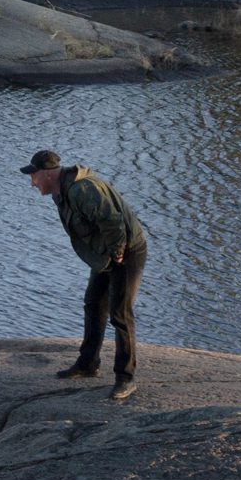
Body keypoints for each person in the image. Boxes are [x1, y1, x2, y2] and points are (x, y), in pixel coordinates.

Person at [22, 149, 148, 402]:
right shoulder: (62, 190)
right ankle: (87, 364)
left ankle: (126, 378)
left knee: (120, 314)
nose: (32, 182)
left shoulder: (81, 190)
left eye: (34, 176)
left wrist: (118, 253)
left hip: (125, 251)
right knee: (93, 303)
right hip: (105, 254)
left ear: (48, 174)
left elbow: (112, 222)